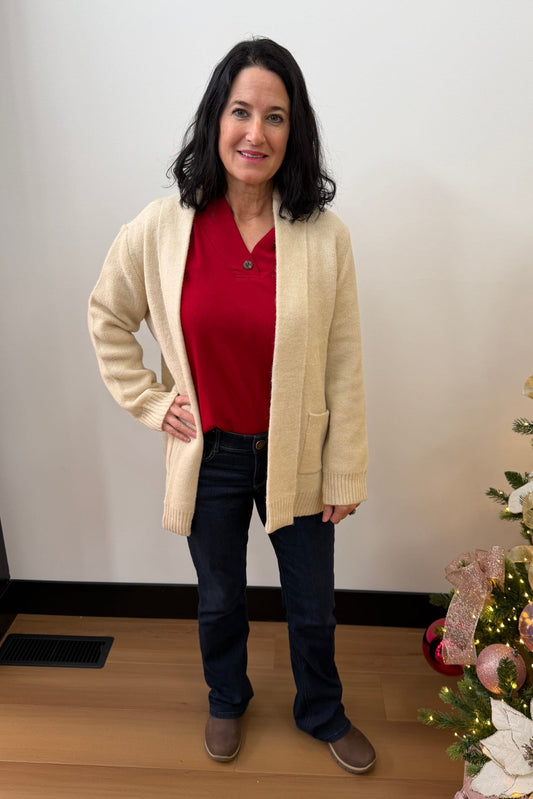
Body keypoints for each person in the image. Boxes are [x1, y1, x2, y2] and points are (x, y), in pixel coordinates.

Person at [88, 37, 375, 774]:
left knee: (312, 603)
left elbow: (343, 359)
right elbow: (107, 314)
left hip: (296, 451)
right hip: (209, 450)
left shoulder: (324, 237)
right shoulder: (161, 228)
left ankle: (322, 709)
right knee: (219, 598)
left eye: (275, 117)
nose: (256, 133)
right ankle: (226, 696)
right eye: (241, 111)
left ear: (293, 131)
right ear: (216, 118)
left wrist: (344, 467)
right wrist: (151, 401)